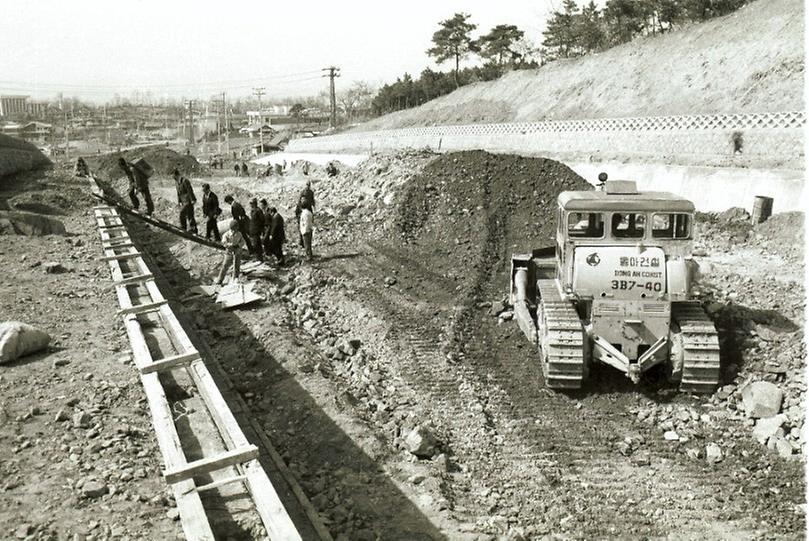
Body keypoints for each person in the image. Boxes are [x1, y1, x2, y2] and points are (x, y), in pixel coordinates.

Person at [216, 220, 243, 286]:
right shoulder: (226, 234)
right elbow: (224, 243)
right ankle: (219, 280)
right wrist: (230, 245)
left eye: (237, 228)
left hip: (237, 252)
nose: (236, 230)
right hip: (229, 252)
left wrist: (239, 245)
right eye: (235, 228)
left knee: (237, 266)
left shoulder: (239, 234)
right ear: (232, 228)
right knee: (225, 265)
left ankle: (235, 279)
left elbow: (242, 241)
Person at [173, 169, 198, 234]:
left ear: (175, 174)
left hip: (188, 201)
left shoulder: (184, 181)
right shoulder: (176, 182)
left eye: (172, 175)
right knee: (190, 215)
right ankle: (193, 229)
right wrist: (179, 202)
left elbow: (190, 191)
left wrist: (193, 199)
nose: (172, 177)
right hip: (183, 201)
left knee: (182, 214)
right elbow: (178, 193)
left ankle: (184, 228)